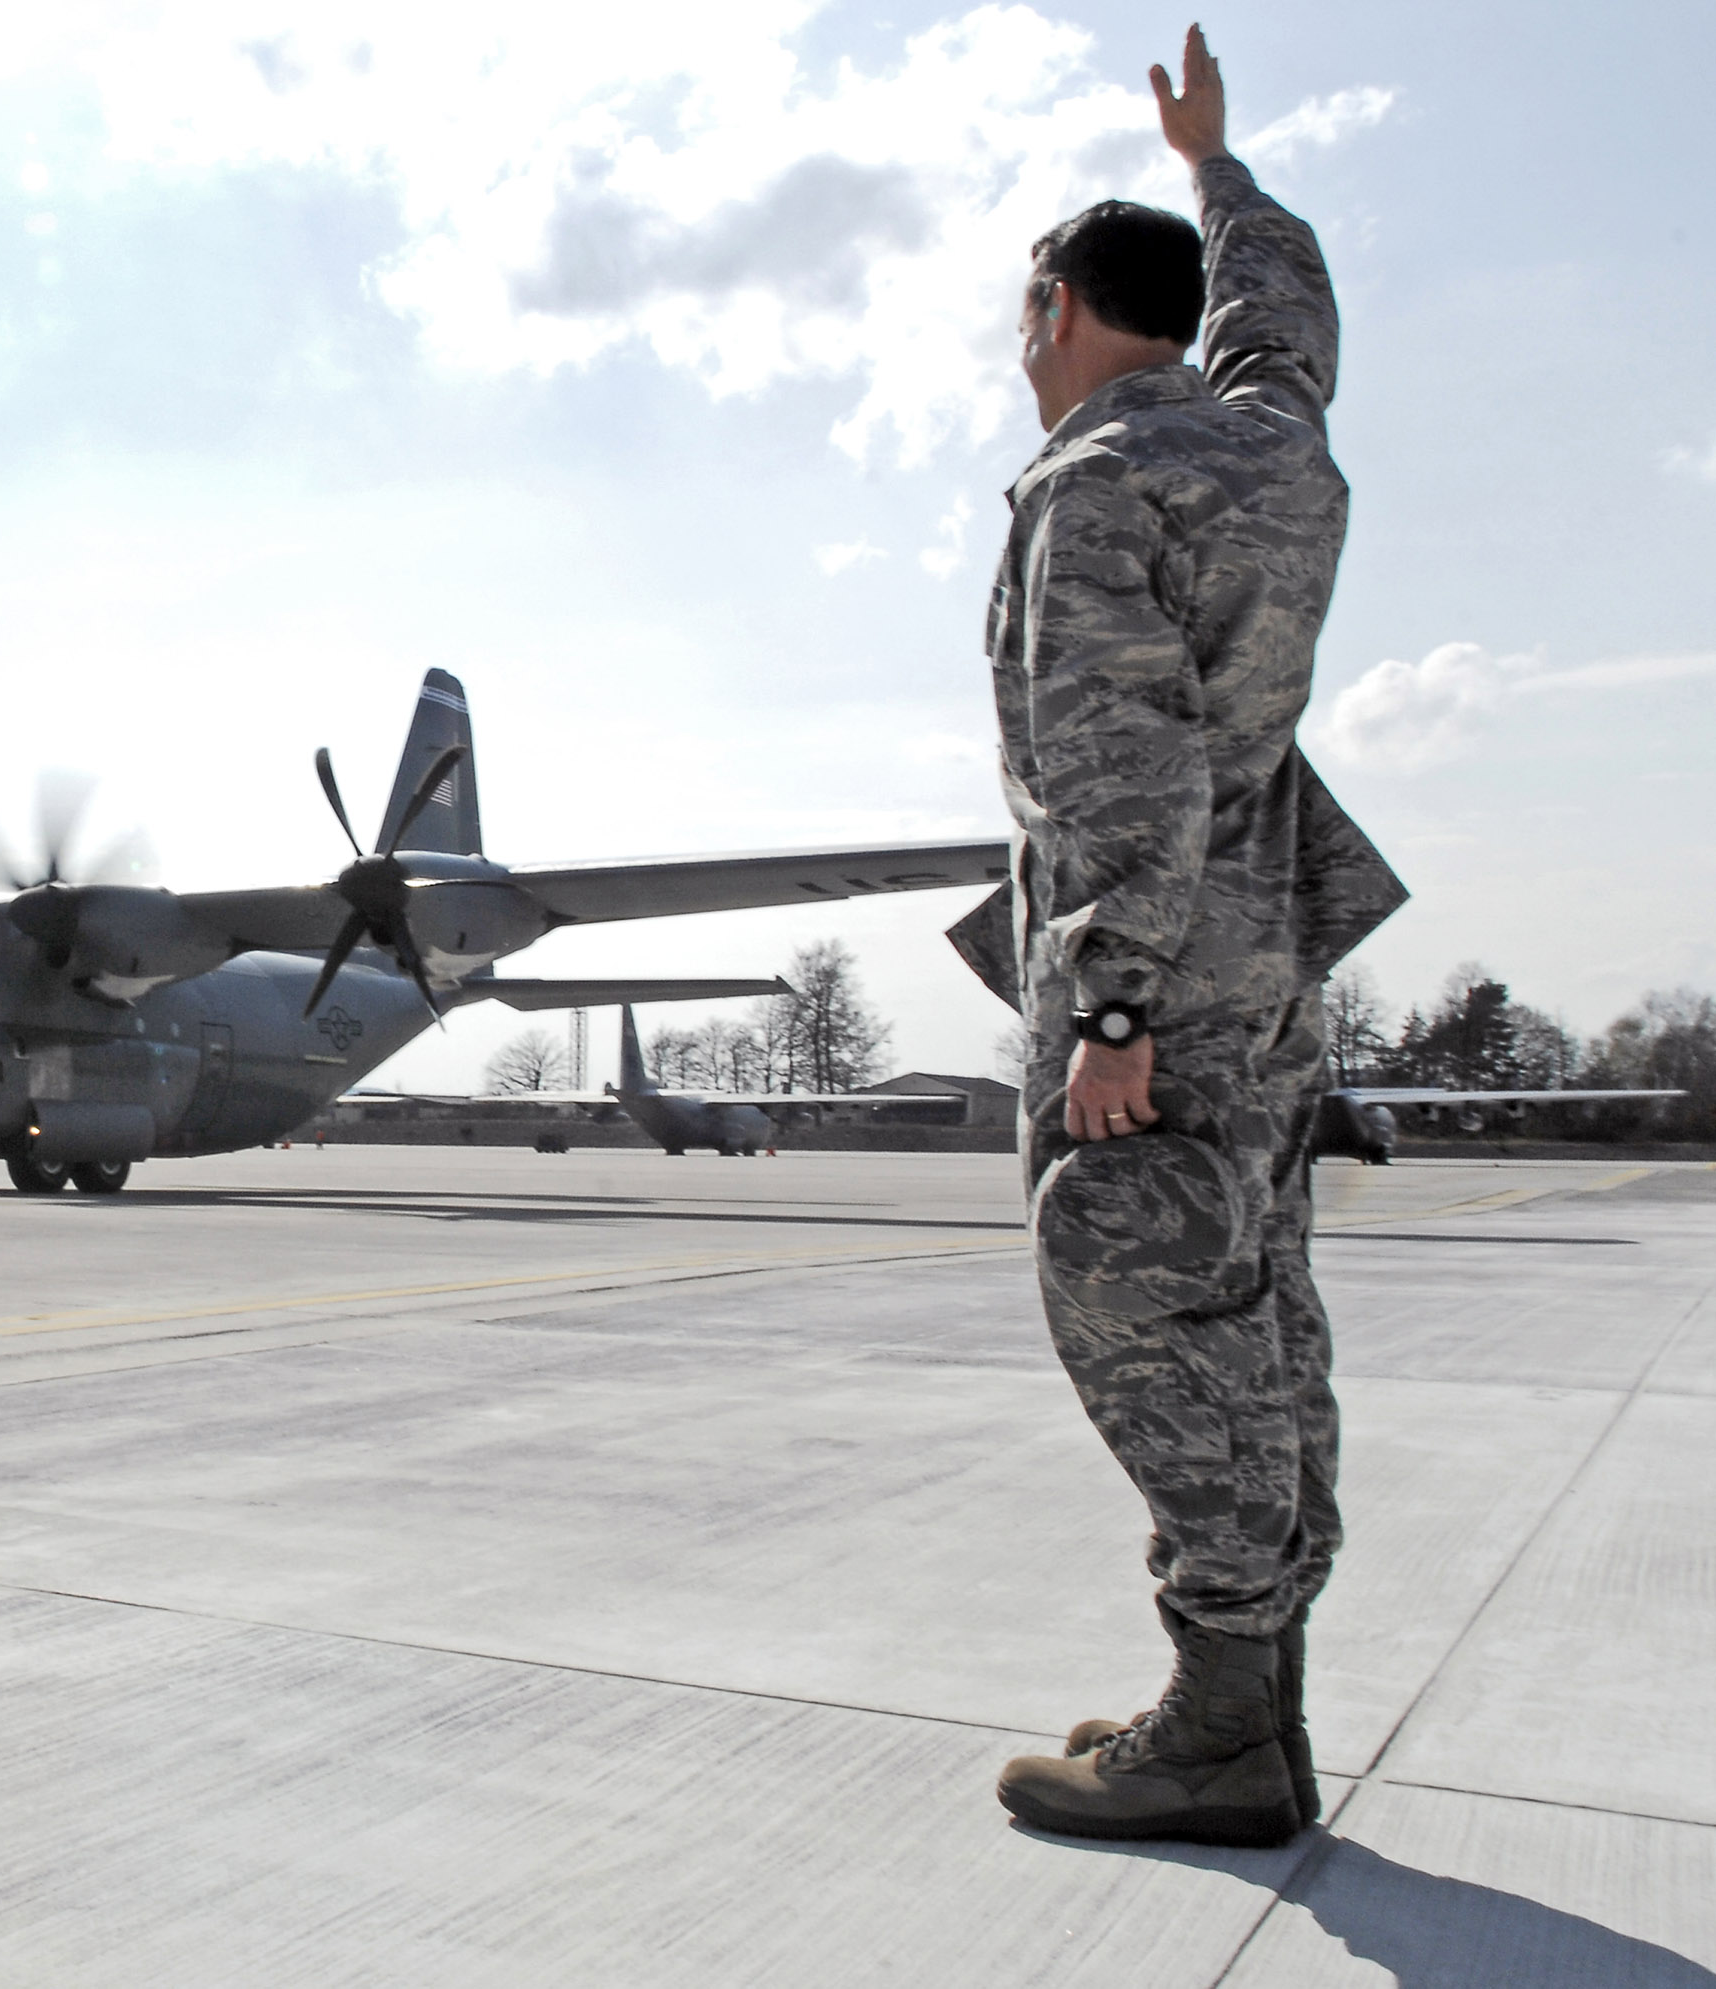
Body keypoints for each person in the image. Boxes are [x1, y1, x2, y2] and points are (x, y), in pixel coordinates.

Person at [948, 26, 1408, 1848]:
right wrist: (1221, 173)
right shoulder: (1269, 440)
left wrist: (1112, 1004)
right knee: (1257, 1302)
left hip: (1163, 964)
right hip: (1271, 958)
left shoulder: (1091, 487)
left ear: (1056, 306)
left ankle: (1217, 1725)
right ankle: (1250, 1704)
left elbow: (1114, 757)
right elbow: (1286, 318)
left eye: (1023, 315)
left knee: (1136, 1290)